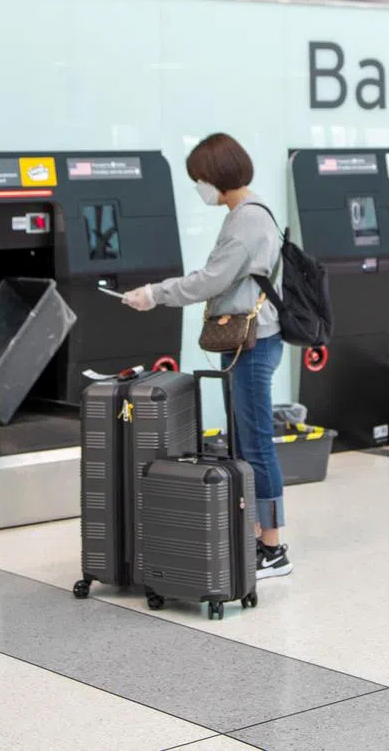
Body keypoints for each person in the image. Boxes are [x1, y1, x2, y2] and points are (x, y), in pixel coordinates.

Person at [123, 133, 292, 579]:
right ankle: (258, 535)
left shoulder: (246, 221)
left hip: (252, 343)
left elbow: (211, 281)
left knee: (255, 442)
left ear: (216, 176)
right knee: (247, 437)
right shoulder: (248, 213)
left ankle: (273, 549)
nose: (198, 187)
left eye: (199, 179)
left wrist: (154, 294)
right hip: (248, 339)